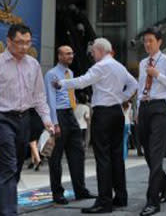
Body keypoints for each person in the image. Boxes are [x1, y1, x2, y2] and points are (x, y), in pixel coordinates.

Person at [0, 24, 54, 216]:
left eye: (28, 42)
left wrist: (47, 119)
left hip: (24, 120)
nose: (24, 47)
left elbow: (39, 96)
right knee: (7, 166)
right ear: (8, 41)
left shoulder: (34, 64)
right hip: (0, 120)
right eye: (19, 42)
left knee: (12, 171)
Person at [54, 38, 137, 214]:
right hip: (117, 113)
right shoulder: (119, 66)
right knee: (116, 156)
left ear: (100, 50)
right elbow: (134, 84)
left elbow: (83, 81)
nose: (92, 55)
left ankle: (104, 201)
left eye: (93, 52)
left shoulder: (100, 66)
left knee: (103, 158)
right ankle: (121, 197)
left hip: (103, 114)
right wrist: (122, 98)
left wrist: (61, 84)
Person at [137, 28, 166, 216]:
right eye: (145, 41)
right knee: (148, 154)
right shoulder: (142, 63)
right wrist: (138, 109)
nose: (147, 44)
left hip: (160, 108)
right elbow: (140, 86)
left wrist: (157, 75)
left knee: (156, 154)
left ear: (159, 42)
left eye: (151, 41)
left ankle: (152, 201)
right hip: (144, 108)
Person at [44, 45, 96, 205]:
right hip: (59, 115)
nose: (71, 56)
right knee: (56, 157)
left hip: (70, 114)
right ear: (59, 56)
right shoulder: (52, 74)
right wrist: (55, 123)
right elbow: (50, 99)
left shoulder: (70, 73)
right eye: (67, 54)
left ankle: (80, 190)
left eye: (72, 53)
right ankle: (57, 193)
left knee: (78, 153)